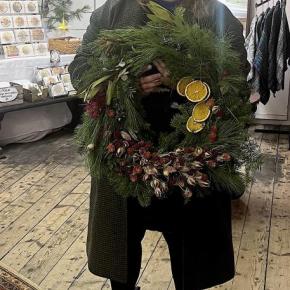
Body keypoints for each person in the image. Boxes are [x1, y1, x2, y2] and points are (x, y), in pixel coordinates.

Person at [69, 0, 249, 289]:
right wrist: (125, 82)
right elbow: (79, 71)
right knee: (121, 257)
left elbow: (238, 77)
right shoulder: (112, 12)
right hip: (125, 157)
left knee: (194, 258)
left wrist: (185, 78)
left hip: (194, 161)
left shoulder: (215, 14)